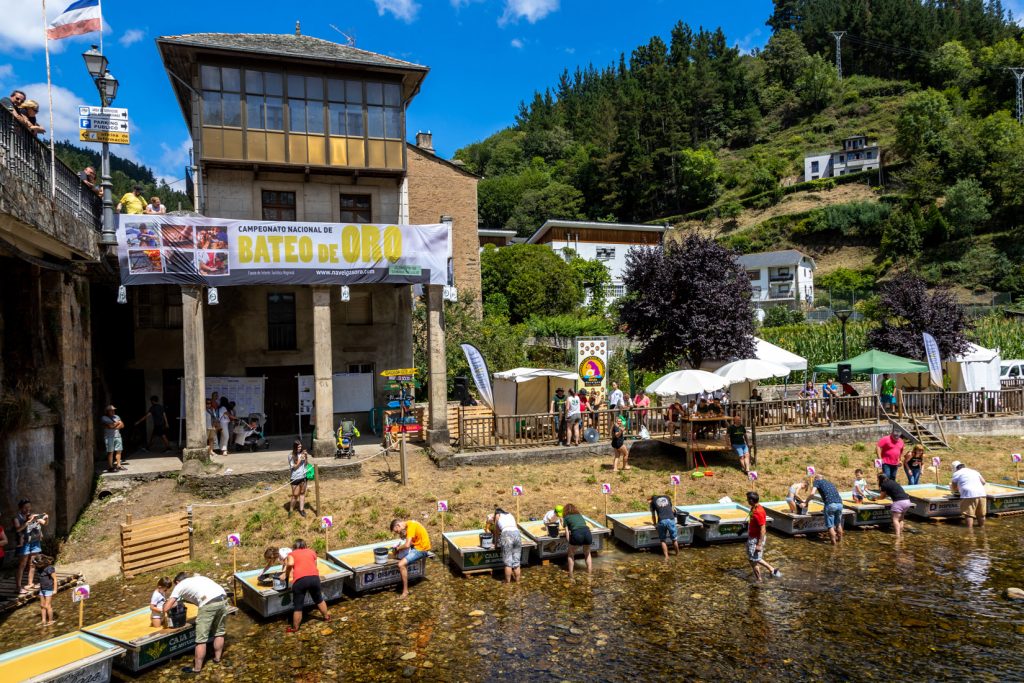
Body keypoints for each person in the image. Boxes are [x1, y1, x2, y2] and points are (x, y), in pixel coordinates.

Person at [163, 572, 228, 674]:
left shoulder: (180, 585)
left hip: (208, 603)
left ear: (177, 582)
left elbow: (167, 607)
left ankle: (197, 669)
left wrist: (164, 607)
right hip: (223, 599)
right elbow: (190, 597)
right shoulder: (199, 578)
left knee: (201, 640)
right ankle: (217, 659)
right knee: (219, 632)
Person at [280, 539, 331, 632]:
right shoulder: (311, 552)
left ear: (294, 547)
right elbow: (314, 566)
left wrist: (285, 574)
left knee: (298, 606)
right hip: (314, 579)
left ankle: (295, 628)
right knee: (319, 599)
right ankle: (326, 617)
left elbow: (290, 564)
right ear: (305, 545)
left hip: (300, 581)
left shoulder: (292, 554)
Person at [389, 519, 431, 598]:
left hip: (422, 549)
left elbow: (407, 545)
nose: (398, 533)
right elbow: (411, 542)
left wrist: (397, 549)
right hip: (418, 546)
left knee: (401, 564)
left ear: (398, 525)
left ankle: (405, 591)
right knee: (400, 556)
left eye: (397, 531)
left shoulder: (411, 527)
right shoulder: (410, 524)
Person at [745, 491, 781, 582]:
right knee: (754, 558)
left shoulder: (759, 512)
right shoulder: (753, 508)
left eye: (748, 499)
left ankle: (759, 580)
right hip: (752, 537)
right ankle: (772, 569)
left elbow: (763, 529)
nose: (747, 501)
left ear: (751, 500)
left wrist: (759, 544)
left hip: (756, 539)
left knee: (753, 560)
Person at [13, 499, 47, 594]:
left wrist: (42, 520)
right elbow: (18, 530)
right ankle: (18, 587)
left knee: (33, 563)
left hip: (34, 542)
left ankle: (30, 583)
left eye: (29, 507)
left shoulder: (32, 515)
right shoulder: (16, 518)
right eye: (25, 507)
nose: (28, 509)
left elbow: (39, 524)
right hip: (24, 543)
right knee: (22, 565)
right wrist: (28, 521)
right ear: (20, 508)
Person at [950, 460, 987, 529]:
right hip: (981, 493)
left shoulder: (957, 473)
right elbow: (984, 482)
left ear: (955, 469)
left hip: (968, 494)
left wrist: (957, 490)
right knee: (981, 514)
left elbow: (954, 487)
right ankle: (982, 528)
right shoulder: (974, 471)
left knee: (969, 514)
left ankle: (969, 531)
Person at [808, 474, 844, 544]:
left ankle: (833, 545)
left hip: (830, 505)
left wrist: (806, 502)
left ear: (816, 479)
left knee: (830, 526)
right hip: (840, 504)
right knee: (838, 524)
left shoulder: (817, 482)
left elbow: (812, 494)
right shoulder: (829, 483)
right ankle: (840, 542)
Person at [492, 508, 523, 583]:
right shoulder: (510, 514)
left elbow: (496, 531)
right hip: (517, 534)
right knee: (516, 562)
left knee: (508, 562)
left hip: (506, 535)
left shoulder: (497, 515)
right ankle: (517, 581)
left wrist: (496, 544)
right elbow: (516, 527)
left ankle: (507, 582)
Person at [561, 503, 592, 577]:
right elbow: (582, 525)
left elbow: (566, 531)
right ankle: (589, 572)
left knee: (570, 554)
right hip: (587, 533)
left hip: (577, 534)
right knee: (587, 553)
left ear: (565, 511)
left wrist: (569, 542)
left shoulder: (566, 517)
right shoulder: (579, 515)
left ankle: (571, 574)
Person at [649, 493, 678, 559]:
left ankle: (666, 557)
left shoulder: (652, 502)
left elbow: (653, 515)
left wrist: (654, 524)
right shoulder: (667, 497)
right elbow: (672, 509)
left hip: (662, 520)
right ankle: (677, 555)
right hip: (671, 519)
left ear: (651, 499)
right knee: (674, 539)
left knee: (663, 540)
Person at [101, 405, 126, 472]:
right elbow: (111, 425)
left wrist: (114, 426)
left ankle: (119, 465)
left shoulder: (117, 416)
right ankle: (111, 467)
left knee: (119, 451)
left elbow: (122, 425)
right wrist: (117, 423)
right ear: (107, 411)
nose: (113, 411)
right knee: (110, 452)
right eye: (111, 410)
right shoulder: (104, 418)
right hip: (109, 437)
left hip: (117, 436)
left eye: (113, 410)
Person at [288, 440, 309, 517]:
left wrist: (306, 457)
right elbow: (295, 468)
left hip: (303, 476)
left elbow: (306, 464)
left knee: (302, 493)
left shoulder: (302, 453)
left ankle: (301, 509)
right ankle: (291, 510)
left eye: (300, 446)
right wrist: (300, 460)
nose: (300, 448)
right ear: (295, 447)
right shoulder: (291, 456)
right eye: (298, 447)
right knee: (295, 495)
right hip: (295, 477)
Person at [34, 554, 56, 625]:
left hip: (49, 589)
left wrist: (55, 589)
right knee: (42, 605)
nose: (36, 566)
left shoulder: (49, 568)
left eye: (37, 564)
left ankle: (50, 620)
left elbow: (55, 579)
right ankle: (43, 620)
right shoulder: (39, 568)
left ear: (42, 562)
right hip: (42, 589)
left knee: (47, 605)